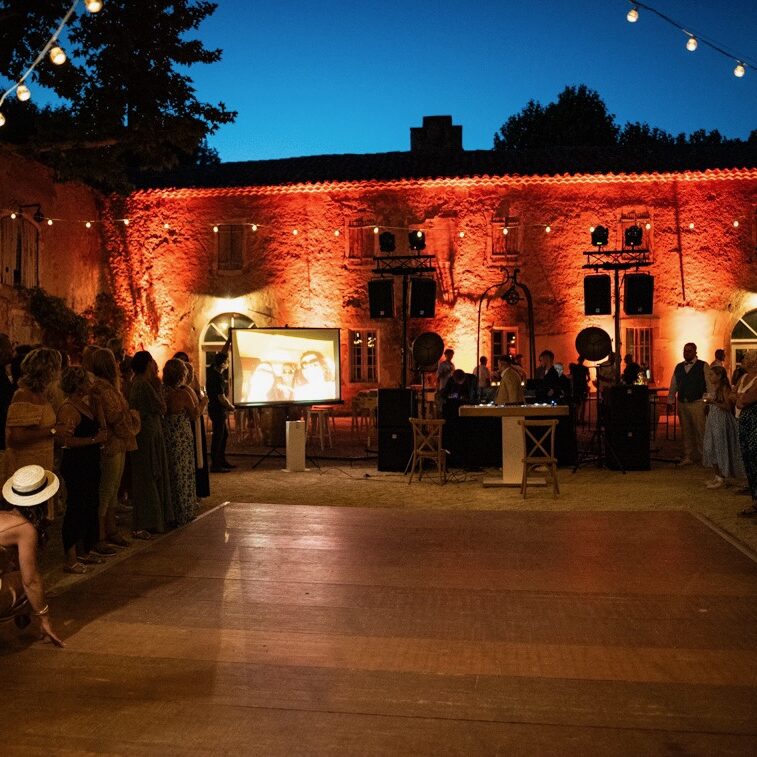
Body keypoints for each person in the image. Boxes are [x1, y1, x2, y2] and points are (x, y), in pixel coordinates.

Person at [0, 465, 64, 646]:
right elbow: (31, 581)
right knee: (32, 580)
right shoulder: (24, 529)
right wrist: (44, 618)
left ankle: (21, 612)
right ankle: (24, 612)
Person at [57, 367, 108, 572]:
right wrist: (94, 440)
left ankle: (84, 550)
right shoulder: (68, 408)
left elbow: (101, 426)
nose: (91, 384)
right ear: (78, 385)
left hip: (90, 462)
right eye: (87, 381)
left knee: (89, 505)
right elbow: (65, 441)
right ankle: (70, 558)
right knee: (76, 507)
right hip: (77, 464)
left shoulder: (85, 404)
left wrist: (98, 403)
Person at [90, 348, 140, 553]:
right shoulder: (102, 390)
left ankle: (111, 530)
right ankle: (100, 535)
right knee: (106, 490)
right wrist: (130, 420)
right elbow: (113, 416)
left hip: (118, 443)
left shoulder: (109, 388)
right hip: (111, 443)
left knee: (113, 489)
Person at [5, 348, 72, 494]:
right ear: (49, 370)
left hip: (42, 463)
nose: (60, 372)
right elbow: (16, 436)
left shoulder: (41, 395)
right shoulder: (23, 395)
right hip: (27, 467)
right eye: (58, 367)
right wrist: (53, 430)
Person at [129, 351, 173, 534]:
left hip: (151, 433)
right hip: (147, 435)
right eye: (153, 361)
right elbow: (161, 407)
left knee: (150, 474)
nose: (156, 365)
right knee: (148, 476)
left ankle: (154, 519)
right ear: (148, 364)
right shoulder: (142, 384)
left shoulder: (142, 383)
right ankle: (150, 521)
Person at [162, 359, 199, 526]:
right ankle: (184, 512)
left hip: (167, 437)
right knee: (183, 474)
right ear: (181, 375)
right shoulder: (182, 394)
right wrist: (204, 402)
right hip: (181, 438)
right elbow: (194, 414)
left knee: (170, 473)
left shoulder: (161, 391)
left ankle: (170, 513)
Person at [173, 352, 210, 499]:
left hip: (194, 423)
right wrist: (203, 402)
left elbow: (198, 395)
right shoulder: (181, 391)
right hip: (186, 424)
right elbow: (194, 411)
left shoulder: (191, 383)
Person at [666, 342, 709, 466]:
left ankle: (704, 456)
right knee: (686, 430)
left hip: (697, 402)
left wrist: (708, 401)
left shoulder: (703, 365)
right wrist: (670, 400)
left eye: (689, 351)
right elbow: (673, 384)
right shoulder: (679, 367)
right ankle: (688, 455)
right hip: (682, 403)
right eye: (685, 351)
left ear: (695, 352)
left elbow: (709, 384)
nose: (686, 353)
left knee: (700, 430)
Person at [702, 366, 743, 489]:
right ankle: (717, 475)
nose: (709, 377)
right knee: (710, 446)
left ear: (719, 376)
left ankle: (722, 476)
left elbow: (728, 406)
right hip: (713, 420)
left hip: (721, 420)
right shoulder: (714, 388)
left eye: (712, 375)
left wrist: (713, 402)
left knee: (720, 447)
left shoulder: (724, 388)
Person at [733, 350, 757, 517]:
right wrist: (740, 397)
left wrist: (741, 398)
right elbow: (733, 395)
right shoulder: (743, 377)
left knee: (754, 457)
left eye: (747, 358)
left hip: (754, 422)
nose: (743, 360)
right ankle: (754, 498)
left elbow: (747, 399)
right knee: (747, 457)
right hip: (744, 421)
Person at [207, 351, 235, 472]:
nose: (228, 363)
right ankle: (216, 464)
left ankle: (221, 461)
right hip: (218, 410)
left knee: (223, 435)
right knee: (218, 437)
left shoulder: (213, 374)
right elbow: (221, 397)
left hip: (215, 409)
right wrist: (230, 406)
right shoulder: (217, 377)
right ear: (223, 364)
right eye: (227, 361)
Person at [569, 356, 590, 424]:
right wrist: (585, 382)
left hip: (576, 387)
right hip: (583, 387)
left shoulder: (574, 368)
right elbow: (588, 378)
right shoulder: (585, 368)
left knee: (577, 404)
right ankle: (581, 419)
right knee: (582, 404)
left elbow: (571, 377)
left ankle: (576, 419)